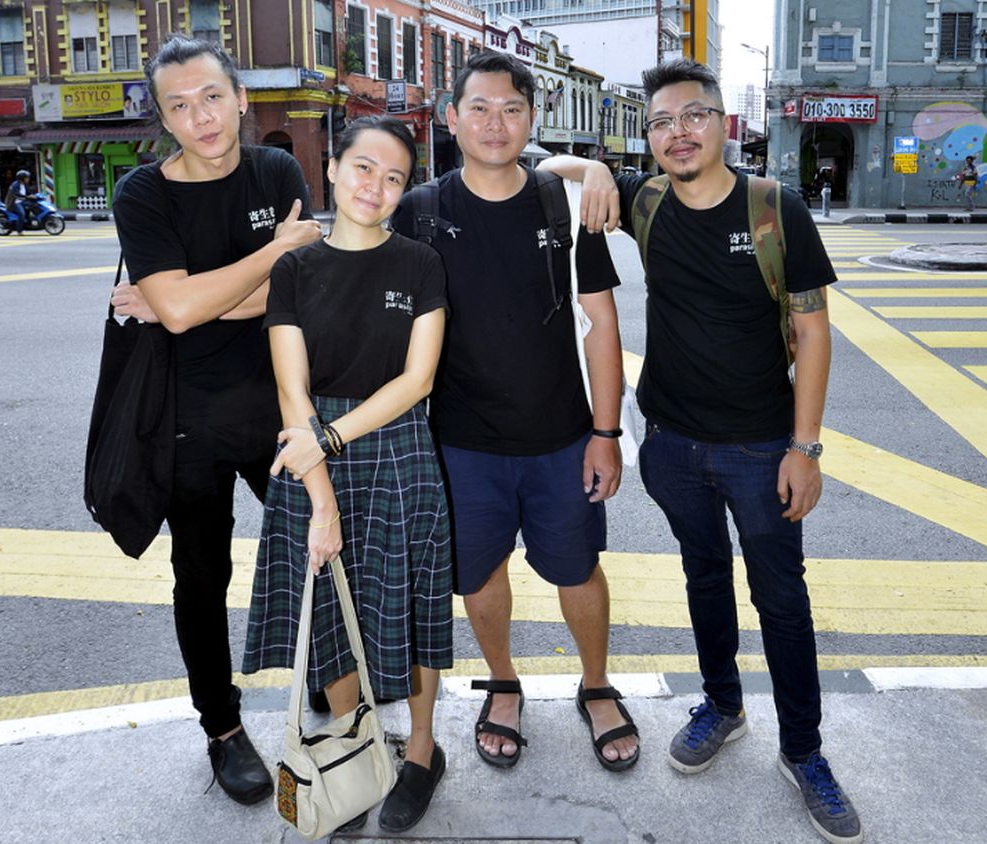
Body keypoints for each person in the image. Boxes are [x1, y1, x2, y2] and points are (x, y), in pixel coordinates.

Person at [540, 58, 861, 844]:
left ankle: (804, 750)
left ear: (723, 123)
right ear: (648, 137)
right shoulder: (645, 201)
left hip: (761, 448)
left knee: (782, 599)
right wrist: (594, 170)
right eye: (661, 122)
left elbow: (815, 333)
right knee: (703, 577)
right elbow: (542, 163)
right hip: (673, 444)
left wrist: (805, 447)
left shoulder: (773, 208)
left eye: (693, 117)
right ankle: (722, 704)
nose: (678, 133)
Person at [391, 50, 640, 773]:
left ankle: (596, 684)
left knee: (577, 570)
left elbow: (603, 327)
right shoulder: (421, 213)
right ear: (452, 117)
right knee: (477, 576)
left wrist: (605, 432)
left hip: (563, 439)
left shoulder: (562, 205)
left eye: (511, 109)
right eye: (479, 108)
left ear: (532, 118)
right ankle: (503, 681)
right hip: (461, 445)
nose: (495, 123)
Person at [109, 35, 323, 805]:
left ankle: (333, 680)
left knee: (320, 551)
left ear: (239, 96)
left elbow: (302, 289)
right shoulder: (143, 194)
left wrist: (189, 301)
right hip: (185, 422)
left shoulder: (275, 168)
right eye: (179, 105)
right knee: (201, 578)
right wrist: (274, 254)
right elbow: (182, 307)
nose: (199, 116)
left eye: (210, 96)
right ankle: (223, 729)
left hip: (280, 407)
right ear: (163, 119)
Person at [241, 116, 452, 834]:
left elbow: (418, 379)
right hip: (311, 457)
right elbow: (289, 387)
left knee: (415, 609)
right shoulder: (293, 269)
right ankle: (351, 748)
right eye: (364, 168)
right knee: (328, 611)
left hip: (395, 449)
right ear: (331, 168)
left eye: (394, 177)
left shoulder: (419, 263)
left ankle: (421, 751)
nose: (376, 187)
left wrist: (328, 439)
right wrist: (321, 493)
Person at [4, 169, 31, 233]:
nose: (28, 179)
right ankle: (19, 230)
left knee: (34, 205)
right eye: (26, 178)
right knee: (22, 213)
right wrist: (27, 197)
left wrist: (35, 196)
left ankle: (28, 223)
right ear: (22, 178)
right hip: (14, 203)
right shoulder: (15, 185)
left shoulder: (24, 184)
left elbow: (28, 192)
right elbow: (17, 195)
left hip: (22, 201)